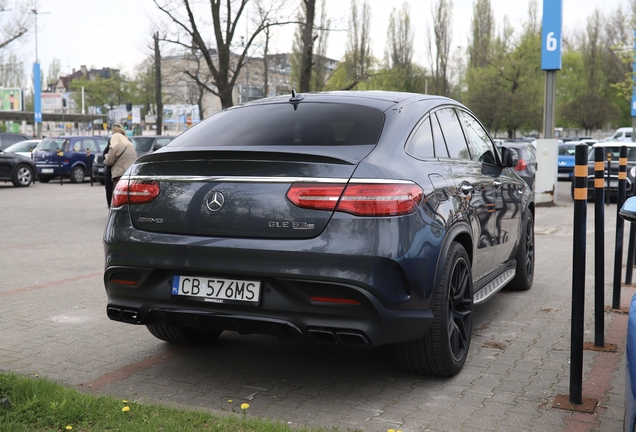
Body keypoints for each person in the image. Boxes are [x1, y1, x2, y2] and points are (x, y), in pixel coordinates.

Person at [104, 124, 137, 205]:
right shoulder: (130, 144)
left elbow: (109, 161)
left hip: (118, 175)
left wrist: (106, 158)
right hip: (130, 175)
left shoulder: (115, 144)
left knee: (117, 198)